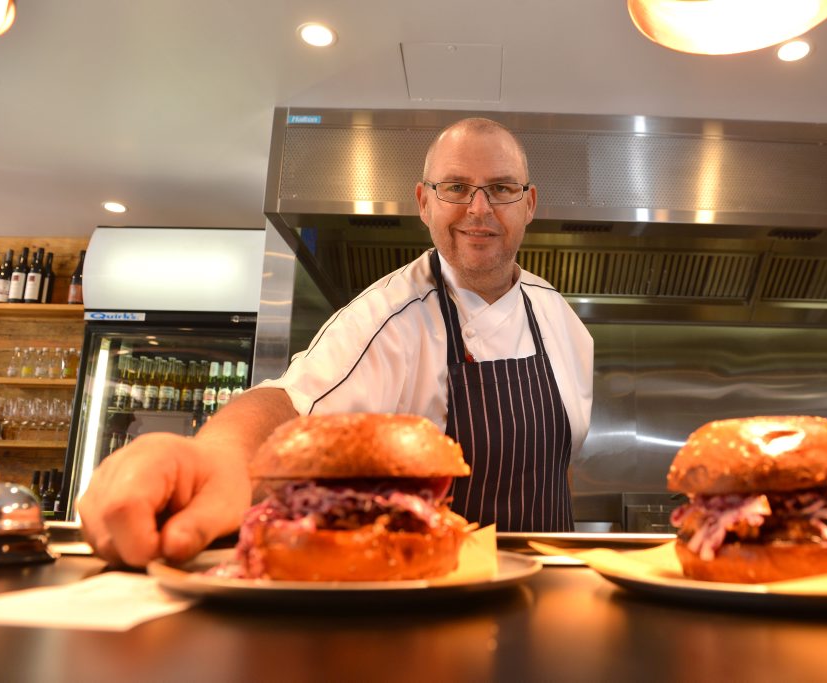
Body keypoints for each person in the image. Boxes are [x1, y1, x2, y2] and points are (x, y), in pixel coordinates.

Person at [78, 117, 594, 567]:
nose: (479, 209)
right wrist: (217, 458)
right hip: (436, 600)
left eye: (501, 188)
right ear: (423, 203)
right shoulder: (390, 315)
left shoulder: (561, 321)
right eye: (455, 187)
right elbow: (287, 402)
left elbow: (556, 466)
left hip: (548, 599)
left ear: (529, 204)